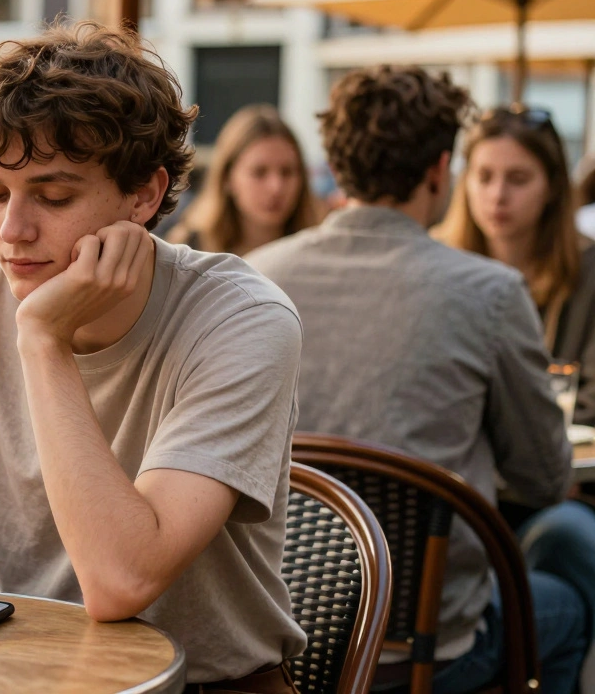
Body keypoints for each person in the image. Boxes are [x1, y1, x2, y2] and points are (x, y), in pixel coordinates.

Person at [0, 21, 307, 690]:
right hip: (32, 676)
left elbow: (122, 581)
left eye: (54, 197)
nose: (11, 232)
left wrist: (43, 339)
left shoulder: (242, 319)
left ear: (144, 193)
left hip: (209, 684)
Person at [248, 65, 591, 693]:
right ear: (440, 169)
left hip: (270, 645)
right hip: (424, 651)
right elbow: (544, 479)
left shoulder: (252, 277)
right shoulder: (489, 293)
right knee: (567, 603)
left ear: (334, 161)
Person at [438, 106, 595, 428]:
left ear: (552, 187)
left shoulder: (588, 271)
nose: (498, 195)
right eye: (484, 177)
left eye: (518, 179)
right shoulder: (434, 264)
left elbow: (589, 408)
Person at [168, 104, 320, 255]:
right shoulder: (189, 249)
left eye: (287, 172)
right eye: (259, 172)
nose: (276, 187)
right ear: (227, 177)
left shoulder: (318, 250)